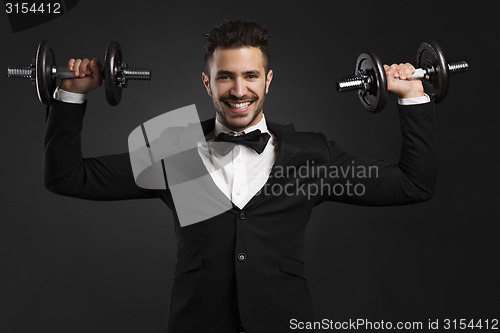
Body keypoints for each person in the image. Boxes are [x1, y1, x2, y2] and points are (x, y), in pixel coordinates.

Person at [43, 20, 438, 333]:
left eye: (250, 76)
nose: (238, 90)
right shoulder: (172, 149)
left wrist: (413, 96)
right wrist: (73, 94)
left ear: (268, 80)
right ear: (207, 83)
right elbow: (68, 177)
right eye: (225, 77)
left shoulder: (312, 155)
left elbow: (412, 184)